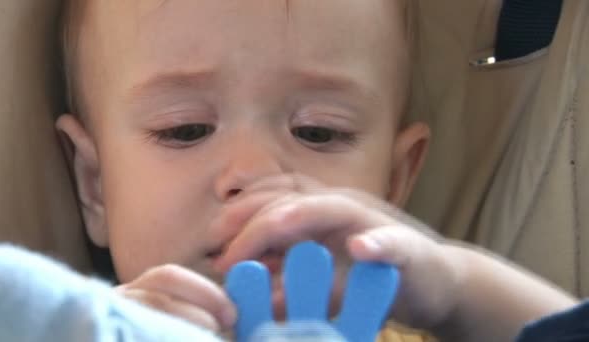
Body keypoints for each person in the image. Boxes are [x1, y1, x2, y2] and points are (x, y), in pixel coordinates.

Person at [54, 1, 577, 340]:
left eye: (318, 132)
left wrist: (455, 286)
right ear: (95, 186)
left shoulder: (407, 330)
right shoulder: (87, 328)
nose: (254, 172)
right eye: (185, 129)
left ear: (393, 186)